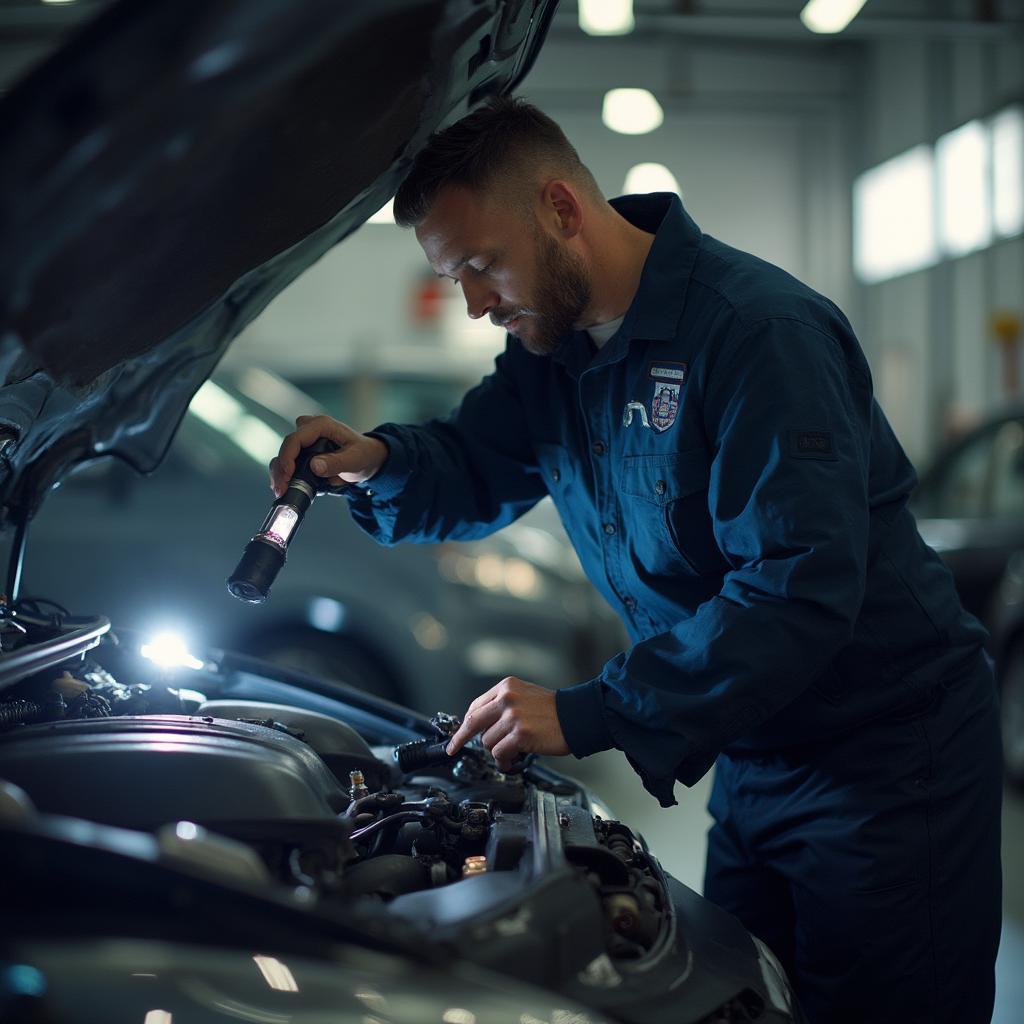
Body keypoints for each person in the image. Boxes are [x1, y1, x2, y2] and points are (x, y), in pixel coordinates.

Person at [270, 97, 1002, 1023]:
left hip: (891, 766)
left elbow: (794, 590)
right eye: (457, 278)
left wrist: (595, 709)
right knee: (740, 1002)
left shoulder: (757, 334)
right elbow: (471, 463)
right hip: (754, 754)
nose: (476, 303)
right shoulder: (554, 353)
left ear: (562, 210)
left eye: (483, 266)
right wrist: (373, 461)